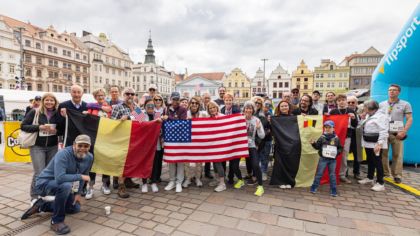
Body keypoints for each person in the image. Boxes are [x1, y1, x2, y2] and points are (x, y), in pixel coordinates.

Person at [21, 135, 93, 235]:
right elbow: (60, 178)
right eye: (80, 145)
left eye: (86, 146)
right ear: (74, 145)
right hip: (45, 184)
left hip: (64, 185)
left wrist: (78, 193)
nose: (82, 149)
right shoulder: (63, 154)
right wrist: (80, 176)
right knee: (66, 185)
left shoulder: (89, 157)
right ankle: (56, 221)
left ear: (89, 147)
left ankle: (42, 206)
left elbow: (84, 175)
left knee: (74, 208)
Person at [21, 93, 61, 203]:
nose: (49, 102)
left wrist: (56, 131)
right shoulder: (35, 111)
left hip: (52, 146)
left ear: (55, 102)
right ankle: (34, 197)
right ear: (43, 101)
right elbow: (23, 126)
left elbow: (61, 128)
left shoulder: (57, 114)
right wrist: (39, 127)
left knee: (49, 172)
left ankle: (46, 194)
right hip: (37, 146)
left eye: (51, 100)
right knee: (39, 172)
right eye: (47, 100)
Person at [111, 87, 142, 198]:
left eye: (132, 94)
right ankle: (121, 186)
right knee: (122, 163)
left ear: (134, 96)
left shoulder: (137, 108)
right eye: (127, 93)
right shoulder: (118, 107)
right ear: (123, 95)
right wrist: (121, 120)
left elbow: (141, 122)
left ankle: (128, 181)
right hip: (122, 139)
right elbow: (111, 124)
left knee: (130, 161)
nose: (130, 95)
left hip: (134, 140)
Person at [379, 84, 413, 184]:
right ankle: (385, 173)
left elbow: (409, 118)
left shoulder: (405, 104)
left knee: (397, 155)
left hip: (397, 133)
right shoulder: (382, 104)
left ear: (399, 92)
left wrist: (404, 131)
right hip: (384, 132)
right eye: (390, 90)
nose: (391, 92)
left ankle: (397, 175)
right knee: (383, 154)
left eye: (394, 90)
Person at [84, 88, 112, 198]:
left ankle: (105, 184)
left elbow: (109, 112)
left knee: (105, 162)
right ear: (95, 97)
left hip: (106, 138)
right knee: (92, 162)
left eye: (102, 95)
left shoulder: (109, 107)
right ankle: (90, 186)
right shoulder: (91, 108)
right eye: (98, 95)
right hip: (94, 138)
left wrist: (97, 107)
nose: (100, 97)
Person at [358, 100, 389, 192]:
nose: (363, 108)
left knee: (377, 162)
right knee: (370, 160)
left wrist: (379, 144)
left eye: (365, 107)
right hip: (368, 142)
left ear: (369, 108)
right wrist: (362, 119)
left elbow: (384, 130)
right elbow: (362, 126)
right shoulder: (369, 115)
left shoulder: (381, 117)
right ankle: (370, 177)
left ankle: (380, 183)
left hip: (376, 143)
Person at [310, 120, 343, 197]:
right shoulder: (322, 137)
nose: (327, 129)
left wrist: (336, 153)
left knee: (332, 175)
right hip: (323, 159)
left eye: (329, 127)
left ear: (333, 128)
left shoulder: (336, 138)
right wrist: (313, 144)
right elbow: (317, 147)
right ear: (324, 128)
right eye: (326, 127)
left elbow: (340, 148)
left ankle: (333, 189)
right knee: (319, 173)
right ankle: (314, 186)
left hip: (332, 160)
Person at [329, 94, 358, 184]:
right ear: (336, 102)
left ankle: (342, 175)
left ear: (346, 101)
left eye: (343, 100)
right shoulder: (333, 111)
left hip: (347, 137)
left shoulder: (350, 111)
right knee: (333, 155)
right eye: (339, 100)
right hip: (335, 137)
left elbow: (355, 125)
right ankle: (332, 173)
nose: (341, 102)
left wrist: (353, 118)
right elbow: (329, 124)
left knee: (344, 156)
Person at [164, 91, 187, 193]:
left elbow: (181, 123)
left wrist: (169, 118)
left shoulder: (183, 109)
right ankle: (172, 181)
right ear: (171, 99)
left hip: (180, 138)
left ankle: (179, 182)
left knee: (180, 161)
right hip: (169, 138)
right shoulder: (167, 108)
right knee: (171, 161)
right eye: (174, 99)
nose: (175, 101)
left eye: (177, 99)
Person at [183, 96, 208, 188]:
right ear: (190, 104)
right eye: (192, 103)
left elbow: (215, 118)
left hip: (199, 140)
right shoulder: (185, 114)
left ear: (199, 105)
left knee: (199, 160)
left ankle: (198, 178)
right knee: (186, 160)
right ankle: (188, 178)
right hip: (188, 139)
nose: (194, 104)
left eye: (196, 103)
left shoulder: (204, 114)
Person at [242, 101, 265, 196]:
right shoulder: (239, 119)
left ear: (253, 110)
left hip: (251, 146)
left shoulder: (256, 120)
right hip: (241, 146)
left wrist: (259, 128)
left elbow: (262, 136)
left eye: (250, 108)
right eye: (246, 108)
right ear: (244, 109)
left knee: (255, 165)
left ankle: (260, 186)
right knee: (234, 165)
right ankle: (240, 180)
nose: (248, 110)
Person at [140, 98, 163, 193]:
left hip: (155, 144)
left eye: (152, 105)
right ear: (145, 106)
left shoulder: (158, 114)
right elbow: (133, 123)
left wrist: (160, 124)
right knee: (144, 164)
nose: (150, 107)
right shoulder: (139, 113)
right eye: (148, 105)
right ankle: (144, 183)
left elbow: (161, 130)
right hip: (144, 145)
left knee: (155, 164)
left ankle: (153, 182)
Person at [206, 101, 228, 192]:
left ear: (217, 108)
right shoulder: (208, 118)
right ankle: (217, 180)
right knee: (214, 162)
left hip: (220, 144)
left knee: (218, 163)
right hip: (212, 144)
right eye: (210, 108)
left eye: (213, 107)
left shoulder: (222, 116)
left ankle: (222, 183)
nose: (212, 109)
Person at [272, 100, 294, 189]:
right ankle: (281, 181)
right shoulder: (276, 118)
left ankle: (288, 181)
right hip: (280, 145)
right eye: (282, 106)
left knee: (289, 163)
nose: (284, 107)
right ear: (279, 108)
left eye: (286, 106)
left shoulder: (294, 117)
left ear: (289, 107)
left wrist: (303, 118)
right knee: (280, 164)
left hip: (290, 146)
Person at [220, 93, 241, 184]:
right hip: (224, 138)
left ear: (232, 101)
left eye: (230, 100)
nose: (228, 102)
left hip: (233, 137)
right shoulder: (222, 109)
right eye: (226, 100)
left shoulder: (236, 109)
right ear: (224, 101)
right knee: (223, 158)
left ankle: (231, 177)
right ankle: (223, 176)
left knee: (232, 159)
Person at [346, 95, 362, 180]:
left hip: (357, 135)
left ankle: (357, 172)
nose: (351, 104)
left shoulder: (361, 112)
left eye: (353, 102)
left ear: (356, 103)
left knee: (357, 154)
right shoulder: (344, 111)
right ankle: (345, 172)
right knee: (345, 154)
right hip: (347, 134)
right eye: (349, 102)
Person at [259, 101, 273, 181]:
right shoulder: (258, 114)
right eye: (265, 106)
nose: (266, 108)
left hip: (268, 139)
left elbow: (272, 128)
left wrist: (270, 123)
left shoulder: (270, 115)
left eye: (268, 107)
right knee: (259, 156)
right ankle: (258, 172)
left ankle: (264, 172)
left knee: (266, 156)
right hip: (259, 139)